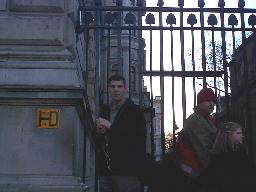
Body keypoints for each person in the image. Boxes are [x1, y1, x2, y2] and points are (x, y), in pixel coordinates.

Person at [95, 74, 147, 192]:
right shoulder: (105, 110)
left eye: (119, 86)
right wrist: (98, 133)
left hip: (127, 172)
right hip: (105, 171)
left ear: (125, 89)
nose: (116, 89)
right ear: (109, 88)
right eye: (113, 86)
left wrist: (111, 127)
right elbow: (98, 141)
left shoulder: (134, 111)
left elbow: (137, 139)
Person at [198, 121, 256, 192]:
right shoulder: (224, 157)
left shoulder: (239, 151)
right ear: (229, 135)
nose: (242, 135)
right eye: (238, 133)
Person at [176, 87, 217, 178]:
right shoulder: (196, 120)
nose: (212, 104)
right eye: (208, 100)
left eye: (214, 101)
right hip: (201, 174)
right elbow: (203, 151)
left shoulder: (206, 118)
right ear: (200, 103)